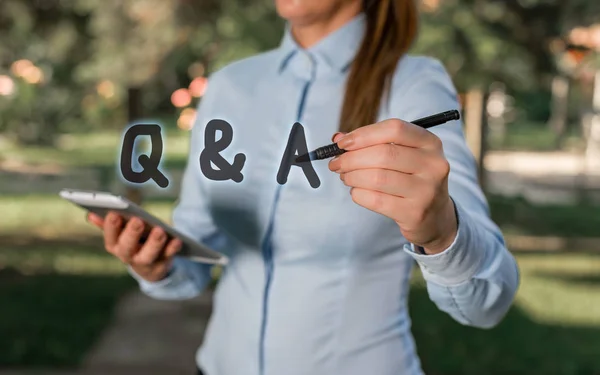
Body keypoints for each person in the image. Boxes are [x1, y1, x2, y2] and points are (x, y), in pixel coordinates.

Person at [87, 1, 520, 374]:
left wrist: (442, 233)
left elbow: (488, 302)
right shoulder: (230, 87)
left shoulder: (413, 84)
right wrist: (156, 262)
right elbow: (197, 257)